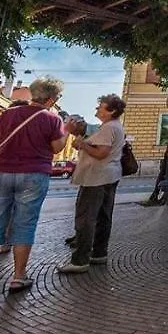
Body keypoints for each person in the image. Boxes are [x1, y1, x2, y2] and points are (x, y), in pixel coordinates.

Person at [0, 77, 66, 299]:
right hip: (33, 174)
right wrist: (66, 131)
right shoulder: (52, 119)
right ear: (51, 99)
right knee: (25, 224)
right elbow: (57, 148)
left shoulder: (7, 114)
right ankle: (18, 276)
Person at [59, 94, 127, 274]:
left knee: (86, 218)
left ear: (111, 111)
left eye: (101, 107)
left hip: (96, 177)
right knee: (104, 216)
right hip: (109, 176)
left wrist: (82, 144)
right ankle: (99, 252)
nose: (97, 110)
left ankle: (80, 259)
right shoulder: (115, 127)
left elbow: (101, 153)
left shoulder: (108, 128)